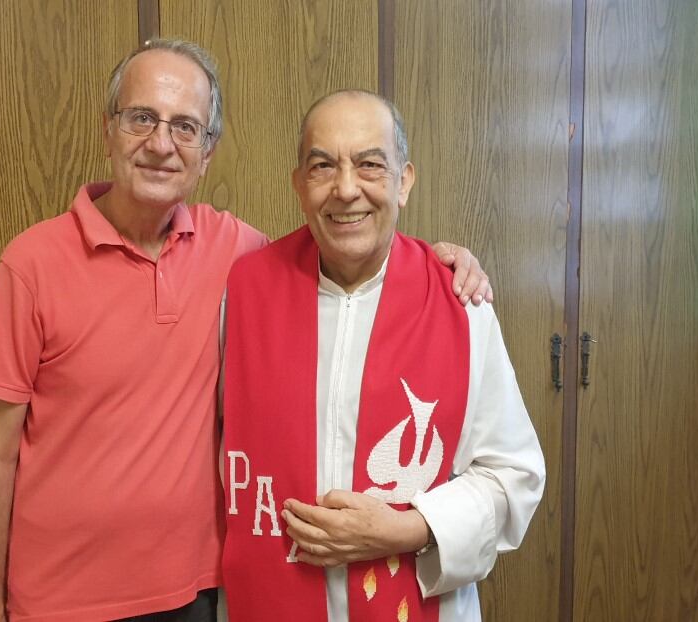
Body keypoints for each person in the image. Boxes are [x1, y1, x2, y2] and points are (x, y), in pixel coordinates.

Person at [0, 41, 491, 622]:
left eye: (186, 127)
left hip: (200, 594)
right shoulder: (31, 264)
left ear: (207, 151)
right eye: (142, 118)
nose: (162, 144)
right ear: (107, 130)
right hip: (61, 599)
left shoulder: (241, 256)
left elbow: (342, 239)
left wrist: (437, 261)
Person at [220, 90, 545, 622]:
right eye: (323, 166)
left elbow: (513, 477)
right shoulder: (244, 292)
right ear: (299, 185)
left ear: (405, 180)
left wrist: (407, 527)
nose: (347, 189)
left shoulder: (460, 304)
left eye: (370, 164)